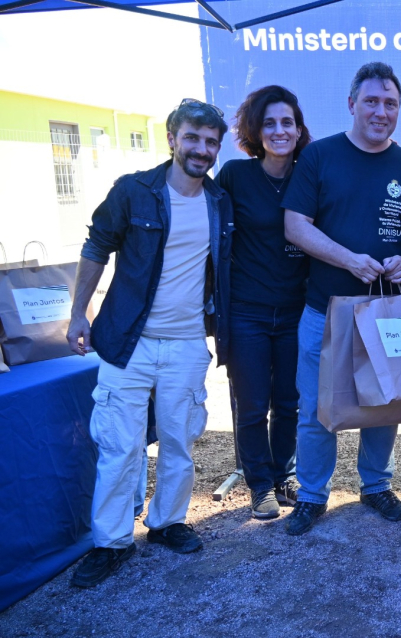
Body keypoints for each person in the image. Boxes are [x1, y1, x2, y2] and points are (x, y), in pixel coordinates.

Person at [66, 98, 233, 587]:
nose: (201, 149)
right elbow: (97, 245)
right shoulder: (133, 191)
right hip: (127, 342)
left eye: (211, 142)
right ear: (172, 139)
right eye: (193, 139)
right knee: (121, 446)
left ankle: (167, 523)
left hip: (186, 345)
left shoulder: (219, 202)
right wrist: (79, 312)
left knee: (180, 441)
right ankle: (111, 541)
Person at [281, 62, 401, 535]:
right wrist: (349, 259)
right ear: (352, 104)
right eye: (371, 101)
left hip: (387, 310)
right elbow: (295, 226)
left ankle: (375, 486)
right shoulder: (320, 157)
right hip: (324, 308)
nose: (381, 111)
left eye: (390, 103)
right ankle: (311, 494)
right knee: (316, 407)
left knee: (383, 403)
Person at [217, 86, 312, 520]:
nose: (279, 130)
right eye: (269, 123)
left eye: (287, 122)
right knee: (252, 404)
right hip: (247, 311)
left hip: (297, 309)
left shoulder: (310, 174)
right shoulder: (235, 175)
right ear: (256, 130)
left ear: (298, 128)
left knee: (290, 402)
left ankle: (284, 474)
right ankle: (259, 484)